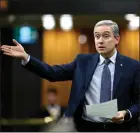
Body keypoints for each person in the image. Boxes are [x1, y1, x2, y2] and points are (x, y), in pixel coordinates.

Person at [1, 20, 140, 132]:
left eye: (106, 36)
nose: (100, 41)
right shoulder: (82, 62)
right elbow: (53, 73)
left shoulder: (132, 66)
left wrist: (127, 113)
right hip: (86, 128)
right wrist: (26, 57)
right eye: (97, 36)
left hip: (120, 129)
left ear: (117, 39)